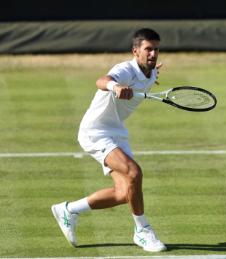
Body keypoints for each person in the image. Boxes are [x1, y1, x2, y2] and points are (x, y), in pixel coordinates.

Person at [51, 28, 166, 253]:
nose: (153, 54)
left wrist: (153, 76)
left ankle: (69, 210)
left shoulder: (151, 73)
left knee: (126, 192)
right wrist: (116, 86)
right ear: (135, 51)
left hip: (117, 132)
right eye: (148, 49)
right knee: (134, 173)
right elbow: (102, 80)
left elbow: (148, 76)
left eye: (156, 50)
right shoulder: (123, 70)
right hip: (95, 132)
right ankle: (143, 231)